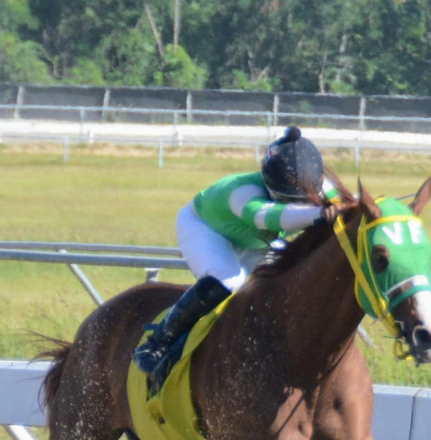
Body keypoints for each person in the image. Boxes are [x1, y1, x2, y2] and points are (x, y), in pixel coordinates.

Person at [133, 125, 340, 373]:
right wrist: (318, 212)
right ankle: (159, 342)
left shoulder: (325, 188)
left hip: (256, 239)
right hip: (207, 228)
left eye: (305, 198)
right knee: (228, 279)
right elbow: (270, 217)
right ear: (269, 185)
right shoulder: (243, 193)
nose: (300, 204)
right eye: (289, 199)